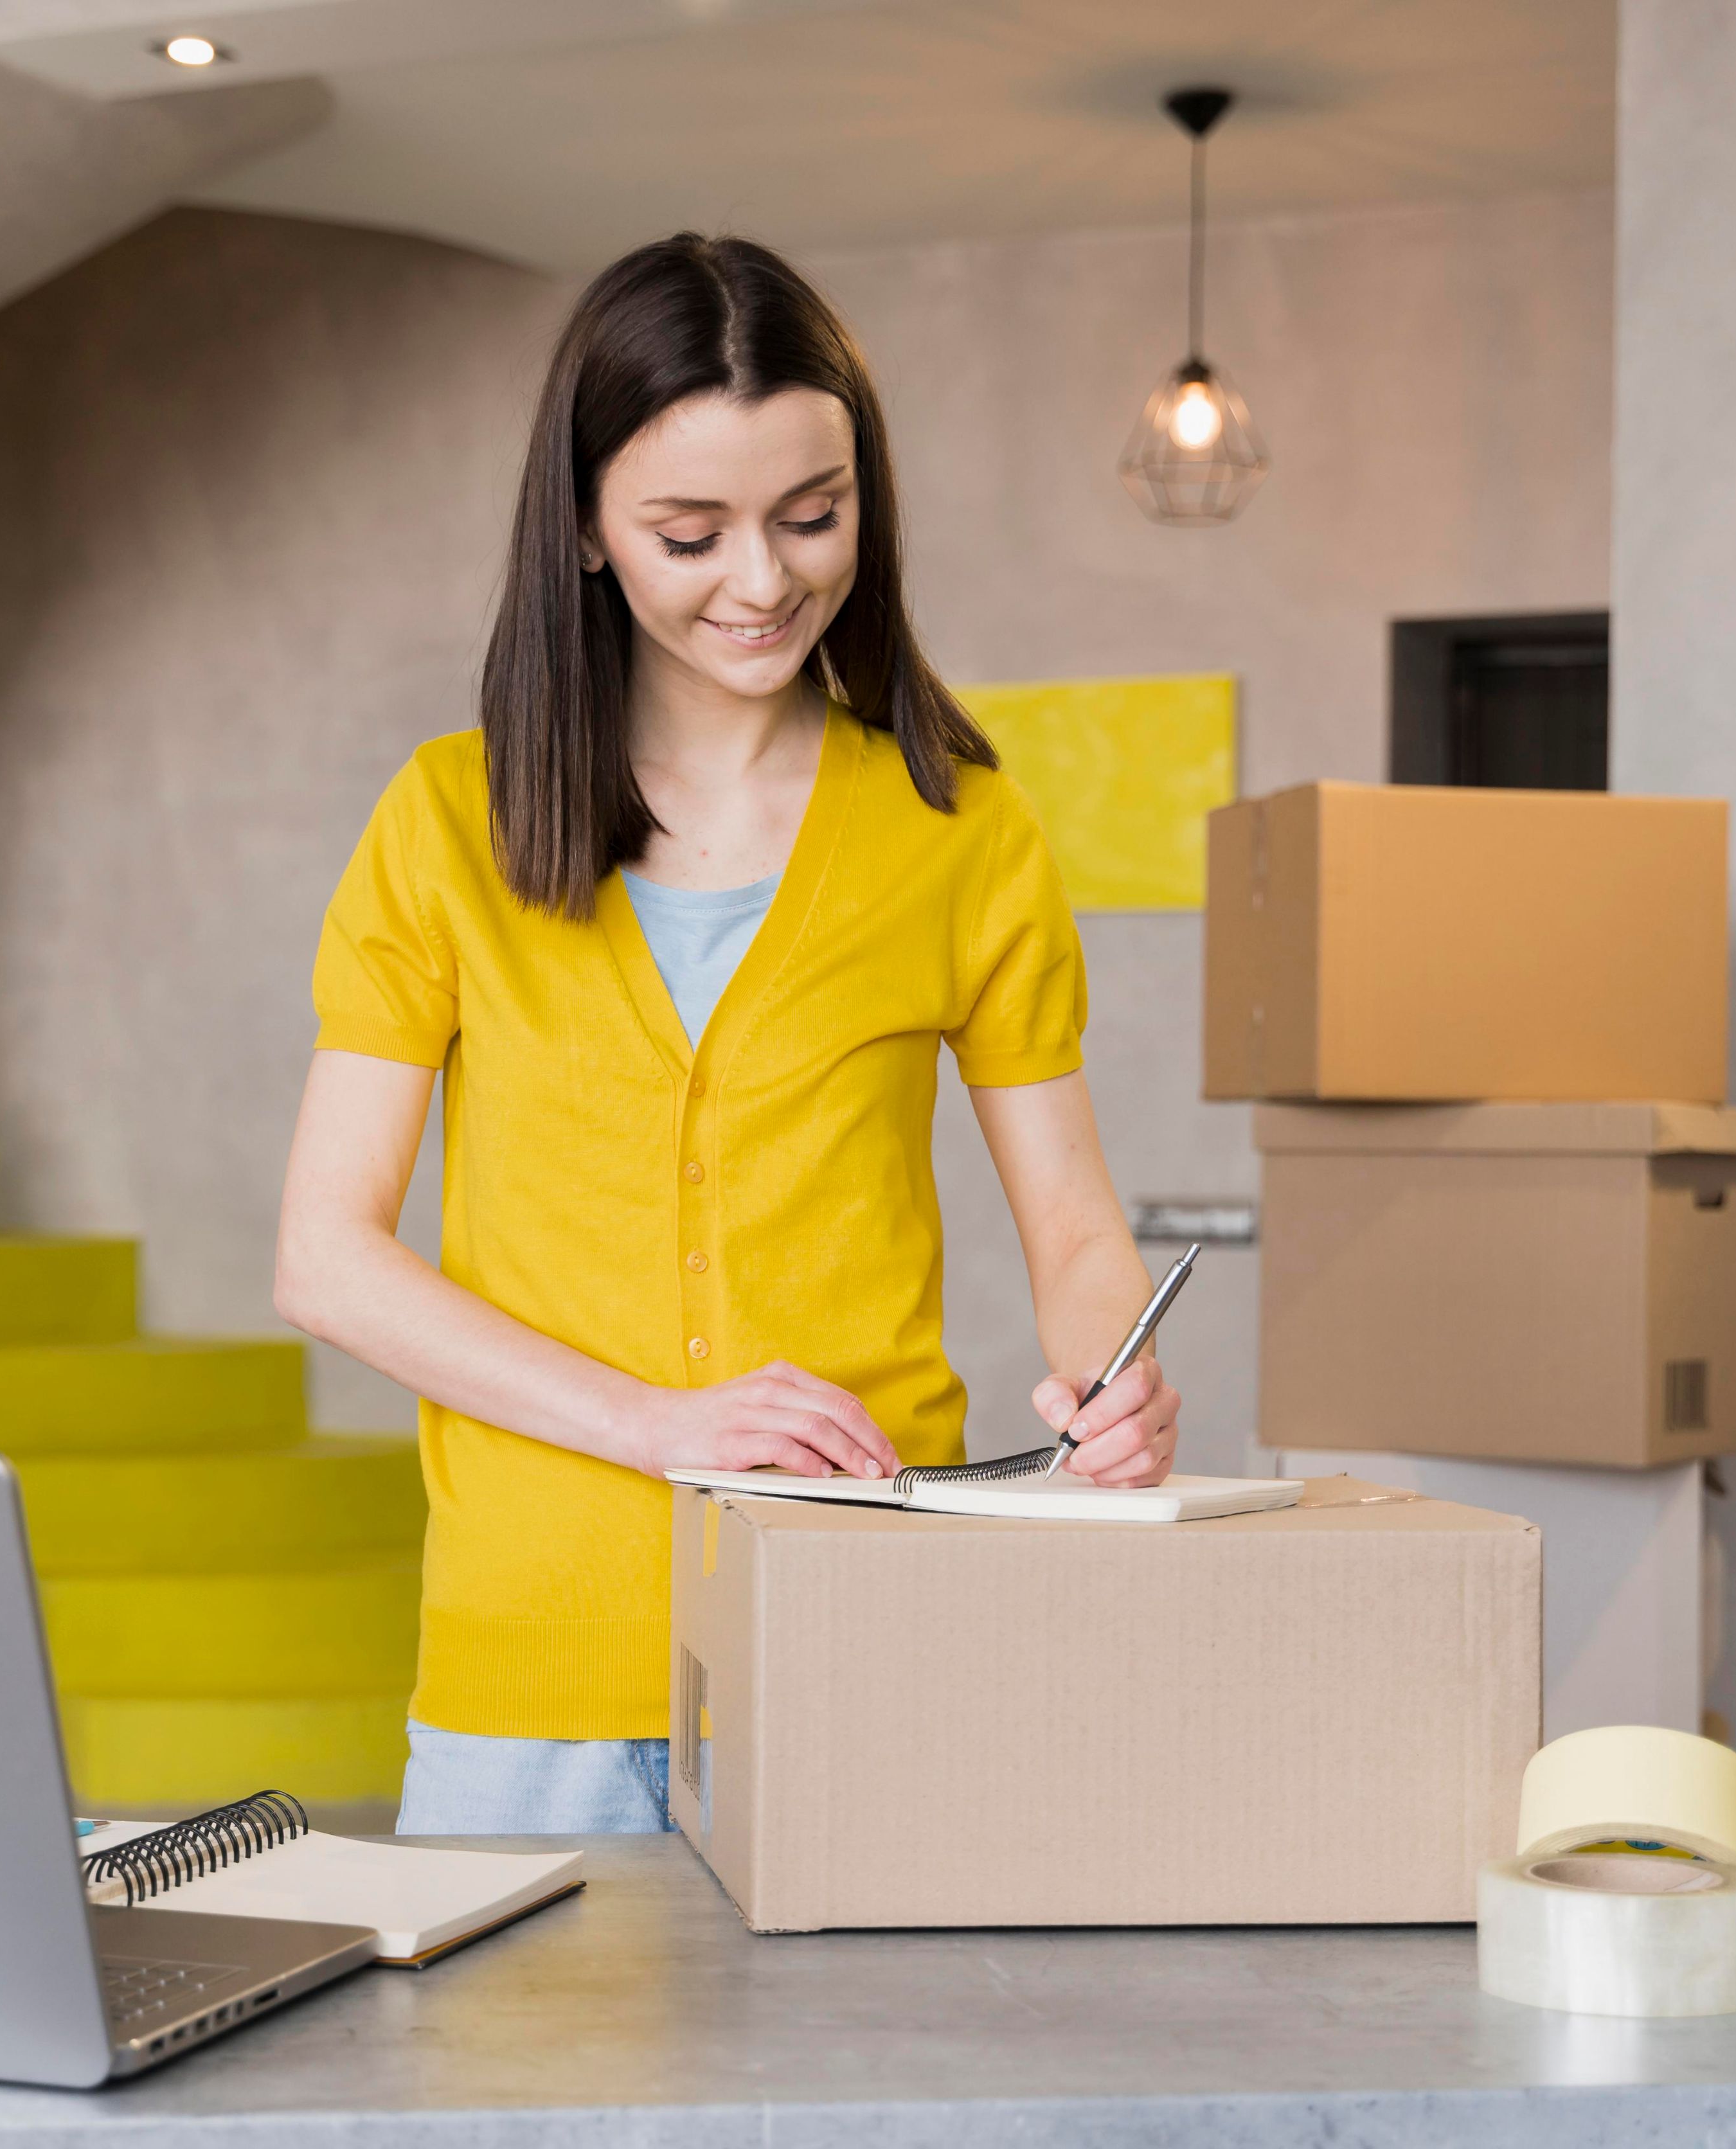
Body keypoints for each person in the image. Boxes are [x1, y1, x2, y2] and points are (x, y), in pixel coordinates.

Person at [274, 233, 1179, 1836]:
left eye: (811, 517)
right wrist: (660, 1430)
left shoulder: (961, 828)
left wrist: (1113, 1371)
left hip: (864, 1641)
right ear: (584, 529)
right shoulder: (443, 823)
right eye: (690, 533)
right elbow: (327, 1262)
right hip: (530, 1674)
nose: (762, 582)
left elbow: (1075, 1221)